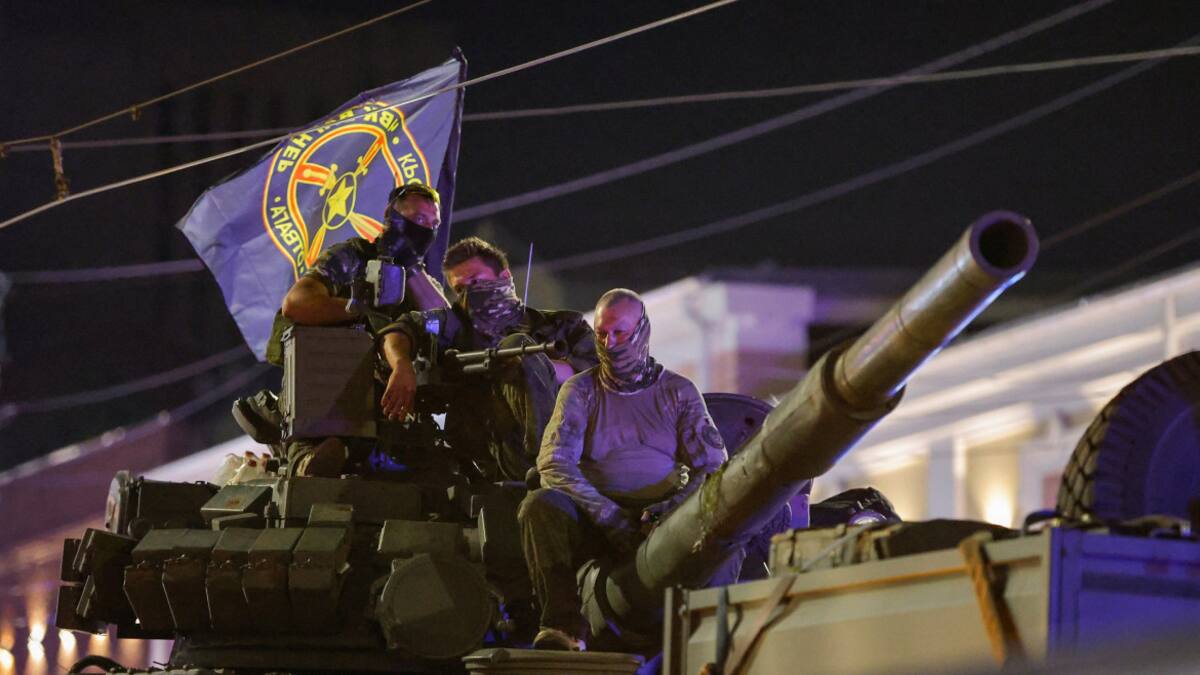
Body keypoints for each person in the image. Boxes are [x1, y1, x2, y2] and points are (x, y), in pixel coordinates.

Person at [517, 288, 729, 651]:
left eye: (620, 333)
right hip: (593, 516)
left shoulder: (677, 392)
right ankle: (564, 626)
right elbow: (553, 462)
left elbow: (712, 466)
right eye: (601, 333)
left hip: (661, 520)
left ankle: (709, 635)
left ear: (642, 331)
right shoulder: (580, 391)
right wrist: (609, 517)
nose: (609, 342)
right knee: (538, 506)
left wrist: (669, 511)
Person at [234, 181, 451, 476]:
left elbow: (445, 325)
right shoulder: (354, 257)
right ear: (391, 216)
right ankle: (304, 460)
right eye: (417, 218)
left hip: (392, 403)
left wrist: (412, 268)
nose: (424, 229)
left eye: (432, 223)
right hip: (331, 386)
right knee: (320, 440)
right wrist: (361, 312)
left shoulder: (420, 283)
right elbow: (296, 304)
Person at [377, 236, 598, 482]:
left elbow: (596, 376)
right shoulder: (456, 325)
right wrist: (401, 365)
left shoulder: (563, 325)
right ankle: (546, 462)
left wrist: (530, 364)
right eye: (460, 289)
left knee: (517, 346)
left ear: (504, 277)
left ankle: (548, 458)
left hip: (573, 445)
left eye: (476, 281)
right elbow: (400, 330)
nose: (469, 294)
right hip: (492, 447)